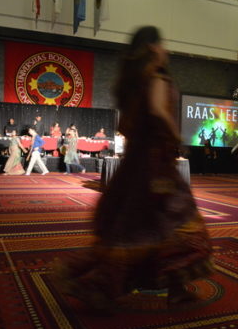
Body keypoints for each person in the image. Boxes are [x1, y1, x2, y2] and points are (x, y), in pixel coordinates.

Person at [54, 26, 213, 311]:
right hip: (157, 168)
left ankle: (94, 281)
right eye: (163, 46)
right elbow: (157, 110)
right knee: (182, 226)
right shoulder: (157, 76)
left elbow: (126, 125)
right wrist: (175, 137)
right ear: (153, 48)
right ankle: (96, 283)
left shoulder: (131, 84)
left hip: (136, 166)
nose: (167, 51)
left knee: (138, 228)